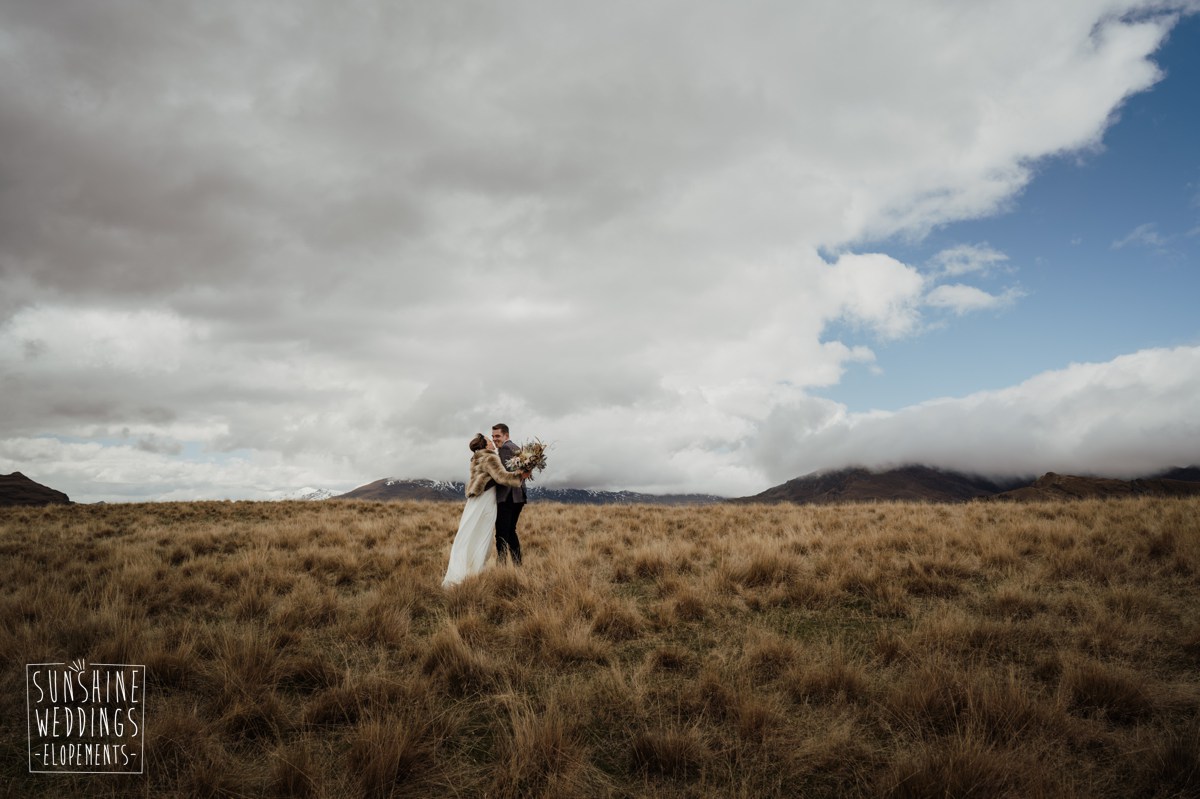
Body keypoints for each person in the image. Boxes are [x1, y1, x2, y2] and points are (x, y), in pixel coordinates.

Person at [442, 433, 530, 588]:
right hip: (485, 500)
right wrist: (521, 475)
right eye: (490, 441)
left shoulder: (476, 458)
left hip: (475, 500)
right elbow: (501, 477)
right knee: (482, 533)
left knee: (469, 532)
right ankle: (475, 570)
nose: (492, 443)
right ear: (484, 445)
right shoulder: (490, 457)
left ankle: (465, 569)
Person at [491, 422, 528, 565]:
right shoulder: (516, 448)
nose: (495, 439)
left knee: (501, 534)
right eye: (493, 436)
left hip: (507, 497)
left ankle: (501, 566)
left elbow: (503, 476)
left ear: (506, 435)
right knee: (511, 531)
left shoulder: (505, 448)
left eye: (498, 436)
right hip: (519, 497)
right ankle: (518, 564)